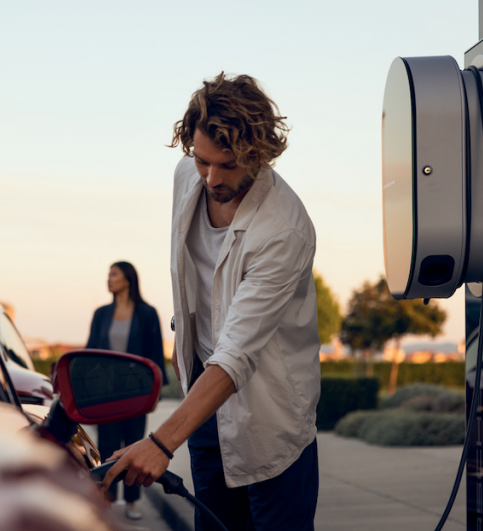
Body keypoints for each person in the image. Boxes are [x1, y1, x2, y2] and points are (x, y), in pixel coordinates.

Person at [102, 73, 322, 530]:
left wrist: (161, 443)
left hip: (271, 415)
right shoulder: (188, 176)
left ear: (258, 155)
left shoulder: (284, 230)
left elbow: (237, 352)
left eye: (229, 165)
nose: (212, 178)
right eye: (203, 161)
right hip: (205, 398)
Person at [85, 261, 168, 520]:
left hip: (136, 393)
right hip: (106, 394)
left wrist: (156, 392)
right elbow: (90, 351)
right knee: (107, 447)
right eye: (108, 274)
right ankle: (107, 501)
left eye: (113, 274)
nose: (108, 279)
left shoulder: (147, 313)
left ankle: (132, 503)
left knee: (134, 446)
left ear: (128, 279)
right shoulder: (101, 313)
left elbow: (155, 353)